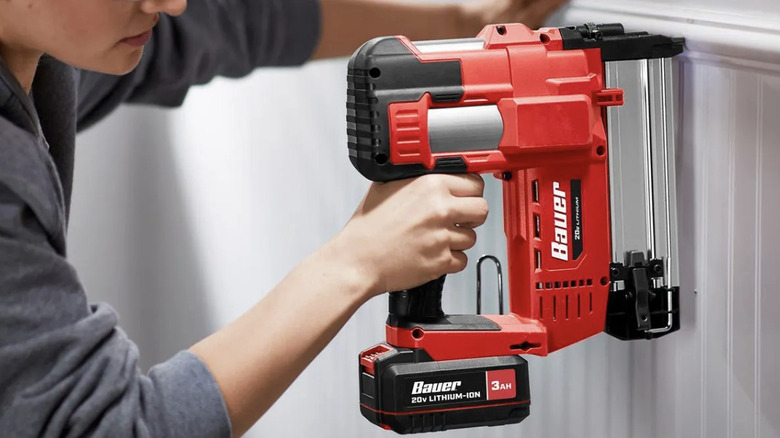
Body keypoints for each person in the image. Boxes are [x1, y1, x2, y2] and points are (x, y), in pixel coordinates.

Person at [0, 0, 567, 436]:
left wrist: (460, 19)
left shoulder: (46, 44)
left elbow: (222, 23)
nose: (171, 2)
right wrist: (355, 261)